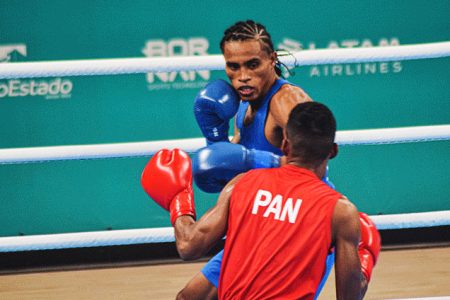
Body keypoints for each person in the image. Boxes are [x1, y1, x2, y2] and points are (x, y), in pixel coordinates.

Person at [141, 102, 381, 299]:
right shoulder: (340, 212)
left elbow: (188, 246)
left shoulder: (243, 183)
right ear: (333, 151)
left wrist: (180, 201)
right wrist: (365, 261)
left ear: (285, 145)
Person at [186, 20, 335, 299]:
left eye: (252, 64)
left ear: (271, 60)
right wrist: (216, 143)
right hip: (263, 221)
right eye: (233, 66)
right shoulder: (243, 102)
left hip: (301, 226)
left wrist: (255, 160)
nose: (242, 76)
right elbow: (237, 160)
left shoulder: (286, 100)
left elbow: (316, 160)